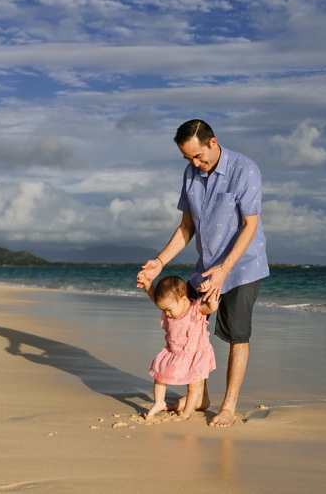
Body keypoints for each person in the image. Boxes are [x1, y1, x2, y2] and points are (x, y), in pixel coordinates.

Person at [137, 119, 269, 427]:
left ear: (213, 142)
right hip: (206, 266)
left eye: (199, 157)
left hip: (243, 265)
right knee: (189, 324)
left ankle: (228, 405)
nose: (196, 164)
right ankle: (201, 397)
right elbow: (186, 227)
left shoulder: (245, 170)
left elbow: (250, 226)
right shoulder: (191, 174)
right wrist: (160, 261)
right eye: (188, 159)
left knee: (237, 335)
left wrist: (225, 269)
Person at [139, 274, 218, 419]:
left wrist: (211, 292)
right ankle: (159, 402)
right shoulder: (170, 309)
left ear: (183, 300)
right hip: (173, 351)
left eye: (168, 310)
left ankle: (187, 413)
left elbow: (212, 308)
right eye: (163, 310)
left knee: (193, 387)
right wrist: (146, 284)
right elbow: (155, 298)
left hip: (194, 355)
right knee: (160, 374)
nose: (166, 314)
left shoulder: (197, 309)